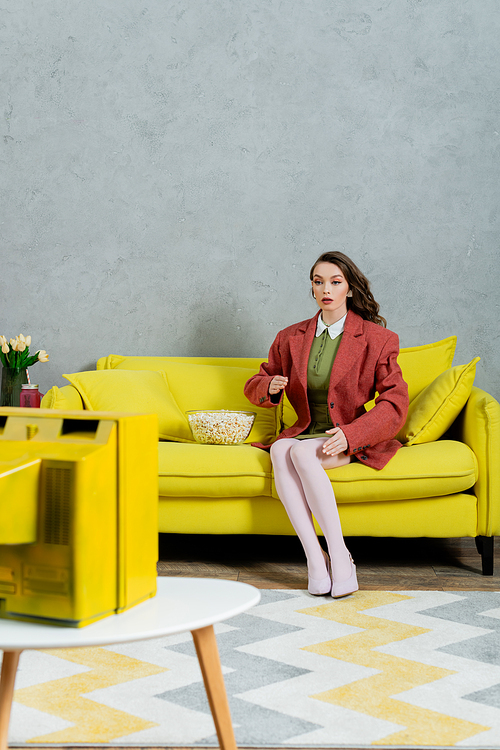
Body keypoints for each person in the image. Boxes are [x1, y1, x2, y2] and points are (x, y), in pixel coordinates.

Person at [244, 252, 408, 599]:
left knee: (301, 453)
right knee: (281, 447)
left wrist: (352, 434)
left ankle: (340, 557)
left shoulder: (378, 339)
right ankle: (315, 561)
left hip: (347, 436)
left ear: (349, 288)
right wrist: (270, 386)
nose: (326, 289)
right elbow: (257, 381)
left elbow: (395, 404)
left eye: (335, 282)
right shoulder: (290, 337)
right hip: (306, 432)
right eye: (318, 282)